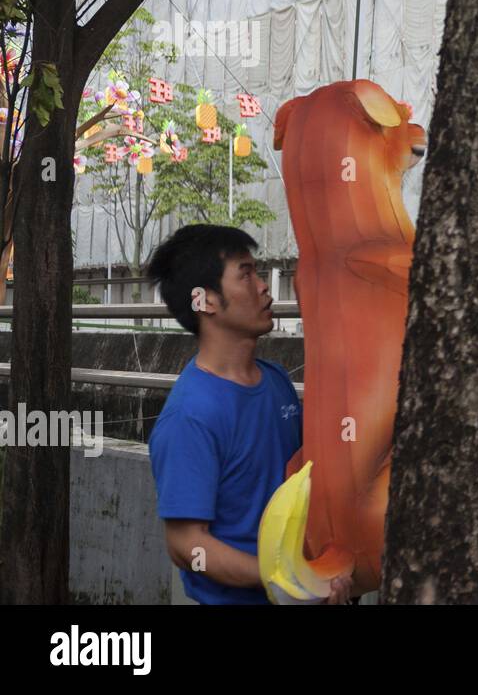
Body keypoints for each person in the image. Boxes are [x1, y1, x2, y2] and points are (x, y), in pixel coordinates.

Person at [146, 225, 351, 605]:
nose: (263, 287)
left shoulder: (277, 382)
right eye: (246, 273)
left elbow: (309, 480)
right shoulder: (190, 416)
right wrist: (284, 580)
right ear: (204, 300)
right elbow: (186, 545)